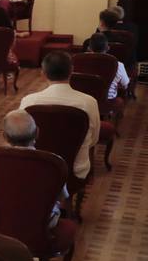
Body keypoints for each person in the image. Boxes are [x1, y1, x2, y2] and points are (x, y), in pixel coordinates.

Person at [20, 51, 99, 180]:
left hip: (37, 165)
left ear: (43, 73)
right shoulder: (89, 102)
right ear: (71, 71)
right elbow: (94, 139)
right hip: (75, 169)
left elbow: (22, 137)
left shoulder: (29, 101)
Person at [2, 109, 69, 230]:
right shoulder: (54, 163)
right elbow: (62, 197)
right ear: (37, 132)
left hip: (3, 220)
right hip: (42, 223)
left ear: (5, 136)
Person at [85, 32, 129, 101]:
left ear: (89, 48)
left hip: (86, 99)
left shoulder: (79, 61)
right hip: (107, 101)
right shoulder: (118, 65)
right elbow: (125, 85)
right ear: (108, 48)